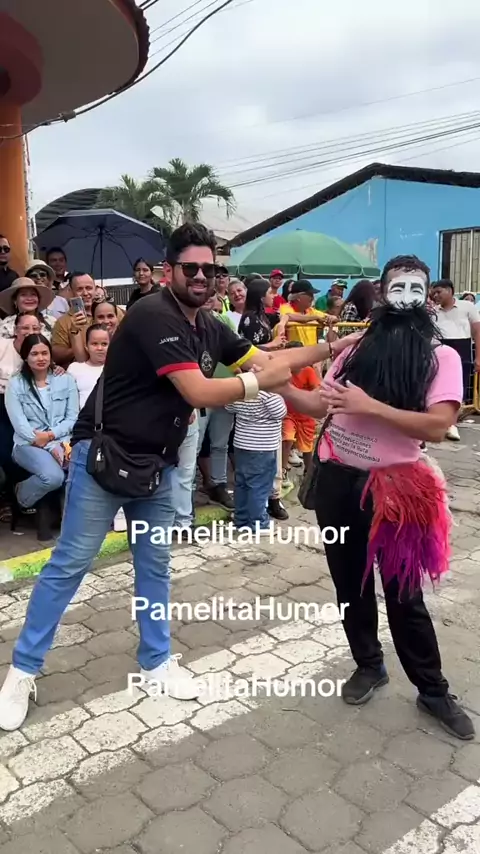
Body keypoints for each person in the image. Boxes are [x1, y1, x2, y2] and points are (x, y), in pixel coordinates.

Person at [0, 222, 358, 730]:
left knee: (155, 565)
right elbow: (199, 392)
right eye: (191, 267)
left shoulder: (209, 325)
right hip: (104, 459)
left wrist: (332, 351)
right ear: (169, 271)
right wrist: (261, 381)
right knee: (69, 565)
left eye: (210, 268)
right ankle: (22, 672)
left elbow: (269, 360)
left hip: (157, 466)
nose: (202, 276)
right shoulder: (153, 314)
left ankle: (155, 663)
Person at [282, 254, 474, 741]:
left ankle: (433, 691)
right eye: (397, 287)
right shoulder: (354, 351)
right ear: (383, 293)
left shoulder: (441, 357)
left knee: (404, 595)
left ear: (427, 297)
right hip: (336, 482)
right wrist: (279, 386)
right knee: (350, 585)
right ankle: (369, 664)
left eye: (415, 288)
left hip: (397, 491)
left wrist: (371, 406)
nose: (405, 296)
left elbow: (438, 424)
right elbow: (319, 404)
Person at [5, 334, 79, 541]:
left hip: (61, 440)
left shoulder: (65, 380)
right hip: (28, 444)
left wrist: (51, 436)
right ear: (25, 357)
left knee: (81, 470)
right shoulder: (16, 384)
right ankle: (21, 496)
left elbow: (73, 417)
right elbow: (19, 424)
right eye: (34, 354)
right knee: (54, 477)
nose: (40, 358)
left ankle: (71, 521)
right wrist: (44, 442)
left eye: (44, 353)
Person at [226, 389, 286, 531]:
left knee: (242, 484)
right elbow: (281, 412)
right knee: (259, 487)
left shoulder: (241, 392)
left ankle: (241, 519)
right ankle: (259, 523)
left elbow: (228, 406)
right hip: (262, 448)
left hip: (241, 445)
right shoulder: (269, 395)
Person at [431, 278, 480, 440]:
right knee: (437, 387)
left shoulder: (467, 307)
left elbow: (477, 332)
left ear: (450, 291)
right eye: (434, 293)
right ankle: (440, 422)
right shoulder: (433, 312)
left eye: (439, 292)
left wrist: (479, 357)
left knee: (459, 388)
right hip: (440, 350)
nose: (436, 296)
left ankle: (452, 424)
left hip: (462, 349)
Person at [281, 342, 321, 480]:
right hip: (288, 414)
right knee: (287, 439)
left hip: (305, 416)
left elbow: (317, 390)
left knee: (307, 447)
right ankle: (282, 471)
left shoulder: (308, 371)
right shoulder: (282, 372)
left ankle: (308, 473)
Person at [51, 273, 96, 366]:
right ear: (71, 292)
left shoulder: (109, 313)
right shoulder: (63, 322)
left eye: (89, 288)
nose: (85, 293)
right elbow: (56, 356)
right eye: (80, 289)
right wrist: (80, 347)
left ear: (95, 289)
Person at [67, 324, 109, 407]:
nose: (99, 348)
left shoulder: (117, 369)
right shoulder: (74, 369)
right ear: (86, 346)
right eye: (94, 344)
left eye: (104, 344)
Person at [238, 278, 287, 349]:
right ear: (262, 298)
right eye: (270, 293)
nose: (273, 296)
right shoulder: (250, 318)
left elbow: (285, 316)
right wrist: (273, 343)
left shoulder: (261, 315)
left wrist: (281, 324)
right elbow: (248, 349)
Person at [279, 281, 329, 346]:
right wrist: (315, 317)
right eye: (310, 294)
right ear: (299, 297)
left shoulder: (311, 310)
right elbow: (288, 316)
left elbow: (330, 317)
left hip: (312, 351)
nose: (313, 298)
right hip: (294, 351)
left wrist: (332, 318)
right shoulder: (285, 308)